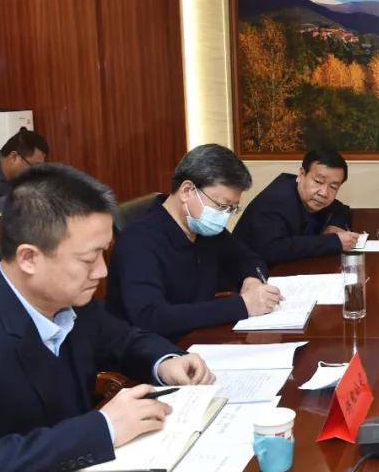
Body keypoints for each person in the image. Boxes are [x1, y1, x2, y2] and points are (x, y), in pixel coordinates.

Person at [0, 163, 214, 472]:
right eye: (89, 259)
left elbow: (122, 338)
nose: (102, 271)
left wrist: (166, 362)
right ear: (29, 258)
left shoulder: (69, 300)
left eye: (104, 253)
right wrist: (102, 430)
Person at [106, 144, 282, 340]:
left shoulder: (205, 229)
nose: (224, 216)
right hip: (158, 351)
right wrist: (242, 306)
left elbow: (249, 258)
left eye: (232, 209)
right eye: (222, 206)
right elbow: (151, 317)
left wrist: (252, 280)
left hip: (200, 338)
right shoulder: (138, 242)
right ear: (187, 191)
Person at [234, 149, 360, 265]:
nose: (324, 193)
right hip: (244, 274)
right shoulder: (275, 199)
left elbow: (341, 209)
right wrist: (332, 242)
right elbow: (274, 249)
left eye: (333, 187)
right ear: (301, 174)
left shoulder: (311, 196)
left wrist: (334, 227)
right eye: (318, 181)